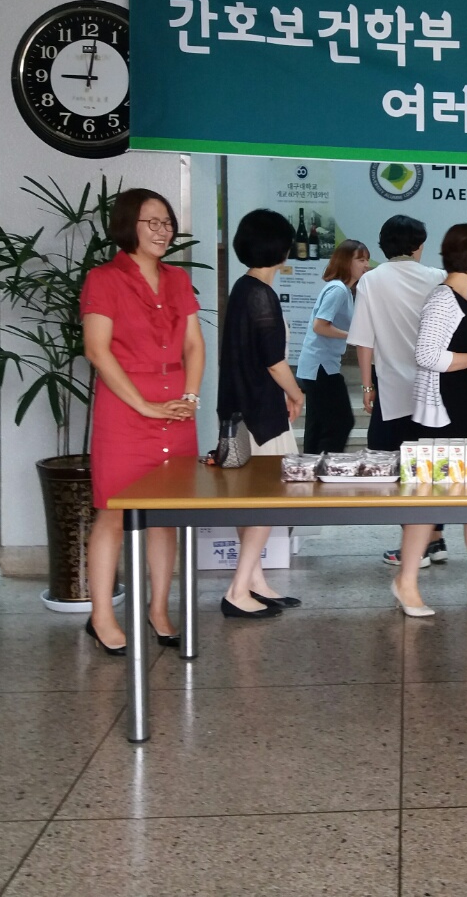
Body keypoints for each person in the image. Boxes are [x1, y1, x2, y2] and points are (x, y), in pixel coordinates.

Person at [347, 214, 467, 568]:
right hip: (440, 392)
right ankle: (435, 539)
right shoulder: (436, 278)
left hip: (394, 391)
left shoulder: (370, 281)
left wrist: (367, 385)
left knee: (409, 475)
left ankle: (417, 548)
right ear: (419, 245)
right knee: (433, 471)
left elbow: (365, 340)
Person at [80, 188, 205, 654]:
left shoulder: (177, 278)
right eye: (152, 222)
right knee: (113, 514)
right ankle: (101, 617)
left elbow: (194, 343)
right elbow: (97, 351)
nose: (162, 230)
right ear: (127, 225)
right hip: (125, 411)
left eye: (167, 222)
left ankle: (158, 610)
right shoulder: (104, 279)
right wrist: (145, 406)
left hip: (177, 408)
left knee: (166, 517)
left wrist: (190, 395)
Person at [391, 223, 467, 618]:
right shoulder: (443, 299)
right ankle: (406, 582)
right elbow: (427, 354)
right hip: (442, 417)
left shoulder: (465, 298)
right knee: (427, 501)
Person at [216, 208, 308, 619]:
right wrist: (297, 393)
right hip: (261, 414)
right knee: (267, 499)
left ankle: (254, 581)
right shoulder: (261, 294)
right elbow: (274, 361)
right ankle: (238, 590)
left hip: (241, 412)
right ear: (281, 249)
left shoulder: (243, 288)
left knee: (252, 500)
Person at [297, 238, 370, 454]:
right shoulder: (338, 290)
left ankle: (312, 465)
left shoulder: (342, 290)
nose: (366, 265)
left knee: (318, 424)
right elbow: (320, 325)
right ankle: (327, 465)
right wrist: (352, 336)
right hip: (321, 367)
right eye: (361, 260)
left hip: (319, 365)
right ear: (346, 261)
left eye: (366, 260)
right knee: (341, 422)